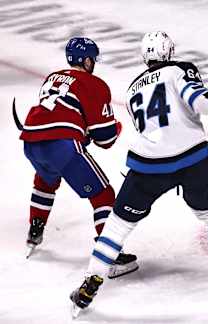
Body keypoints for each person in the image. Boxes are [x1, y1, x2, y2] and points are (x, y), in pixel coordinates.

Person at [70, 31, 208, 312]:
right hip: (192, 160)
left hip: (148, 165)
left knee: (118, 225)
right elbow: (197, 100)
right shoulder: (179, 70)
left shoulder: (133, 88)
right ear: (168, 52)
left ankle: (91, 283)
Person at [20, 37, 138, 277]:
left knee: (46, 180)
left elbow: (57, 114)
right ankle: (110, 256)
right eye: (92, 59)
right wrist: (116, 128)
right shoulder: (94, 84)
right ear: (86, 60)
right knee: (103, 194)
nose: (93, 63)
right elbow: (105, 140)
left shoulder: (52, 77)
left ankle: (35, 229)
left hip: (31, 141)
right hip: (61, 145)